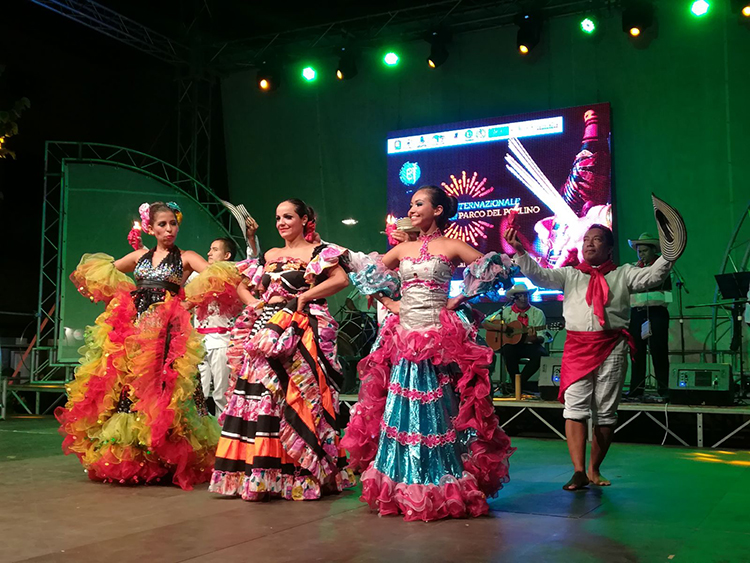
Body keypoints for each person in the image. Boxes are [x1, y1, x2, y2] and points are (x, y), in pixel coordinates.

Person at [343, 185, 515, 522]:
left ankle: (439, 480)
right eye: (411, 204)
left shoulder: (451, 245)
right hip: (405, 334)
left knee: (440, 409)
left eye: (419, 203)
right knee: (401, 409)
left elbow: (495, 267)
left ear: (438, 210)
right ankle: (402, 481)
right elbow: (367, 273)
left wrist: (461, 298)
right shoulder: (403, 248)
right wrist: (390, 302)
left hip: (439, 336)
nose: (412, 208)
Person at [56, 201, 240, 490]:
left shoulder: (187, 257)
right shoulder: (140, 256)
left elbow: (220, 276)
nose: (169, 229)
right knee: (133, 390)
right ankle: (136, 459)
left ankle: (169, 458)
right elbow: (103, 271)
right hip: (138, 332)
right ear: (150, 228)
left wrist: (187, 300)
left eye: (173, 224)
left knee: (168, 390)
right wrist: (126, 299)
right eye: (162, 224)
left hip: (169, 334)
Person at [504, 224, 673, 491]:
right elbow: (539, 276)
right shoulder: (570, 274)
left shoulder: (624, 273)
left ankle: (594, 469)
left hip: (611, 346)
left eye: (597, 240)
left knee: (605, 412)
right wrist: (521, 252)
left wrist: (669, 254)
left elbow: (651, 277)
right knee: (575, 409)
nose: (589, 244)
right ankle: (579, 471)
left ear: (608, 248)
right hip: (577, 348)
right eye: (586, 240)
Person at [209, 198, 356, 501]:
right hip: (266, 329)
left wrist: (304, 298)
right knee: (262, 397)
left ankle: (300, 472)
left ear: (305, 220)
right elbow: (241, 284)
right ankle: (264, 475)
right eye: (278, 218)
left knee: (298, 396)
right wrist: (257, 305)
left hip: (301, 329)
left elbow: (341, 279)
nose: (281, 223)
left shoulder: (318, 252)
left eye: (288, 217)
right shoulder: (271, 254)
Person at [195, 237, 240, 415]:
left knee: (222, 394)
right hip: (198, 343)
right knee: (200, 394)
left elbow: (252, 263)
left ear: (227, 255)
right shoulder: (197, 275)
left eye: (214, 249)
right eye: (210, 249)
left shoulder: (234, 277)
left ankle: (224, 437)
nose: (209, 253)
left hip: (221, 341)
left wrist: (251, 241)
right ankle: (202, 435)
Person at [627, 232, 672, 398]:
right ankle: (636, 389)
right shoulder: (633, 268)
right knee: (636, 352)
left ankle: (664, 388)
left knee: (659, 351)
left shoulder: (662, 269)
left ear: (654, 251)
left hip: (656, 313)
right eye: (639, 251)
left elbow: (667, 296)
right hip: (637, 314)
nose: (641, 254)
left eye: (645, 251)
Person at [483, 282, 549, 392]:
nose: (523, 299)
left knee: (541, 354)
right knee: (508, 350)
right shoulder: (506, 311)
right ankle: (518, 385)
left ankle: (518, 384)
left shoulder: (538, 313)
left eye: (525, 295)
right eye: (520, 296)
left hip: (530, 345)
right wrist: (502, 328)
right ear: (514, 298)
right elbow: (485, 323)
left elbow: (541, 337)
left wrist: (534, 338)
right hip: (512, 346)